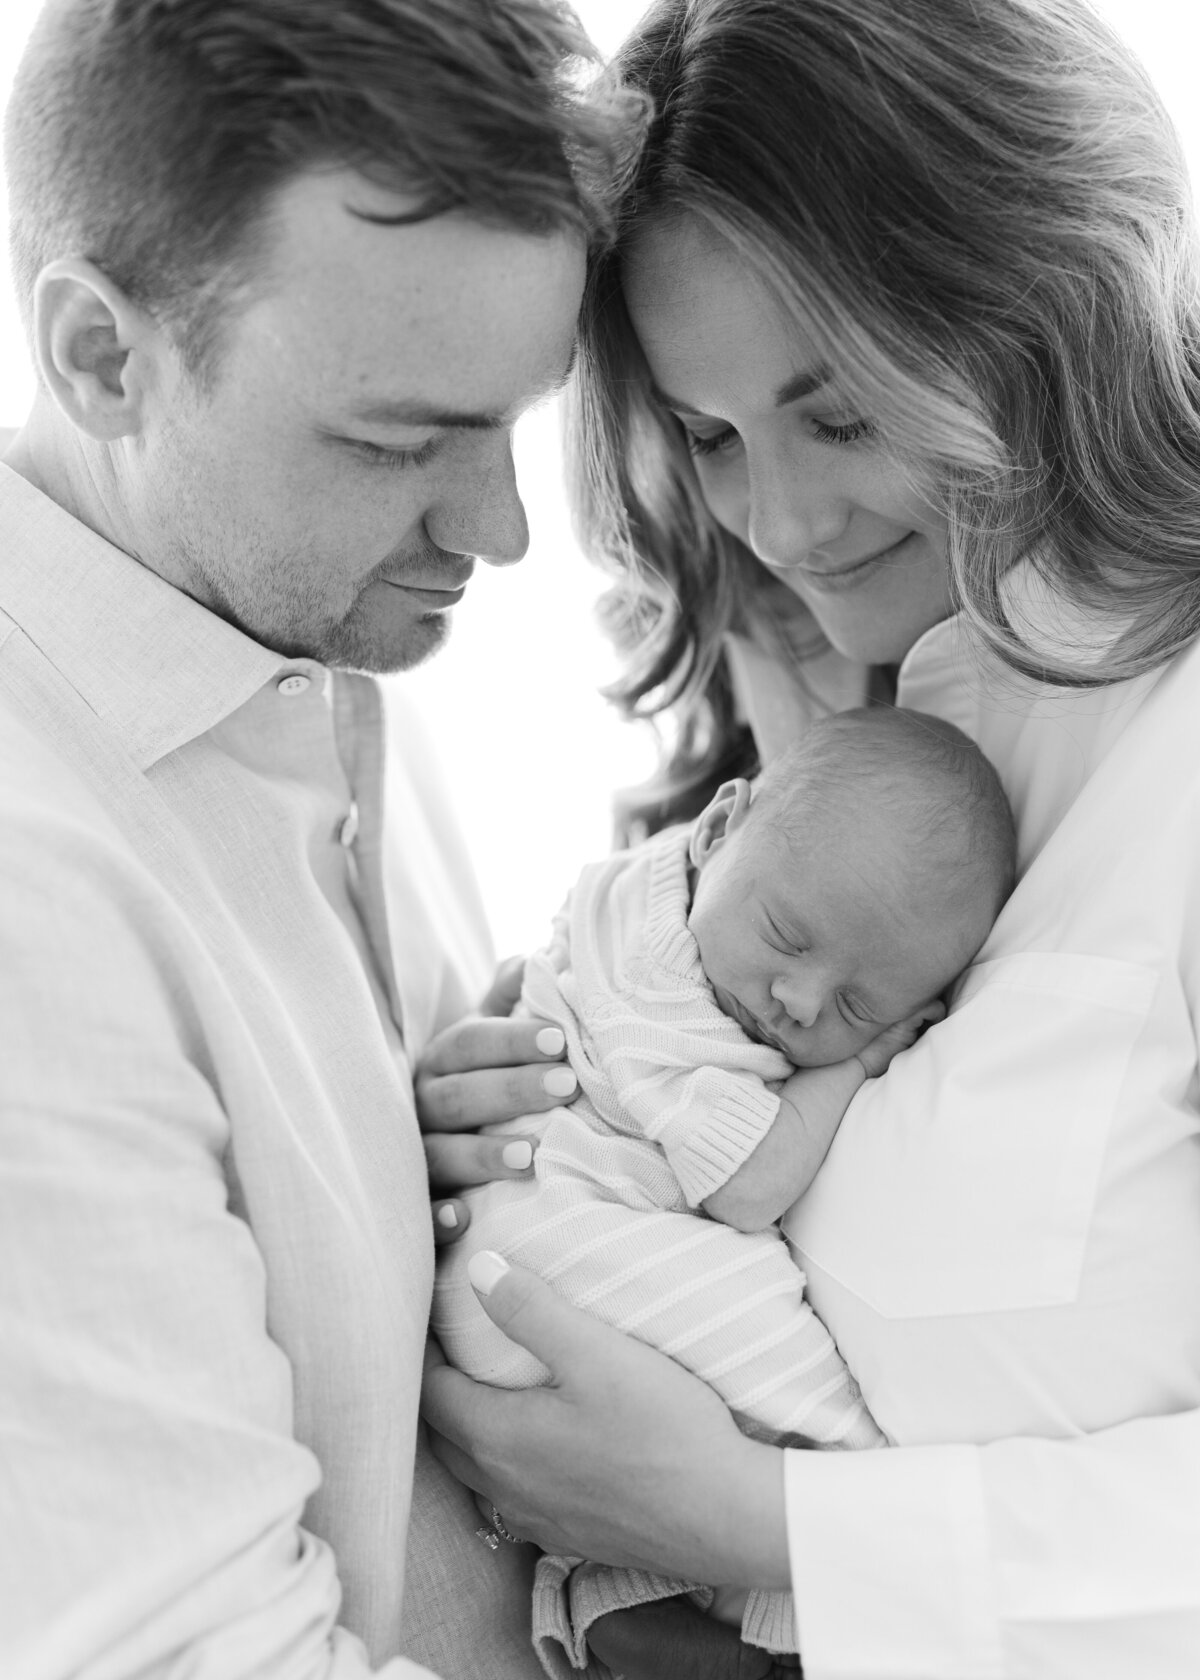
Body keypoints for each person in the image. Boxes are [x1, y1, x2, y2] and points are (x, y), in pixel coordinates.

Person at [419, 1, 1200, 1676]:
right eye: (708, 436)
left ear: (1045, 313)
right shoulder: (831, 723)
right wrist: (550, 1113)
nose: (777, 519)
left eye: (835, 414)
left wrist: (755, 1528)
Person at [0, 2, 640, 1676]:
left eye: (513, 420)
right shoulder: (28, 884)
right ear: (100, 356)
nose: (498, 531)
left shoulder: (323, 657)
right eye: (397, 440)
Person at [434, 704, 1015, 1671]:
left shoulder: (669, 893)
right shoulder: (662, 972)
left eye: (860, 1003)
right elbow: (747, 1186)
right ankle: (837, 1549)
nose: (799, 999)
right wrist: (854, 1059)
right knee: (813, 1390)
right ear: (712, 829)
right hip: (549, 1253)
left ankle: (617, 1591)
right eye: (787, 935)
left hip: (545, 1270)